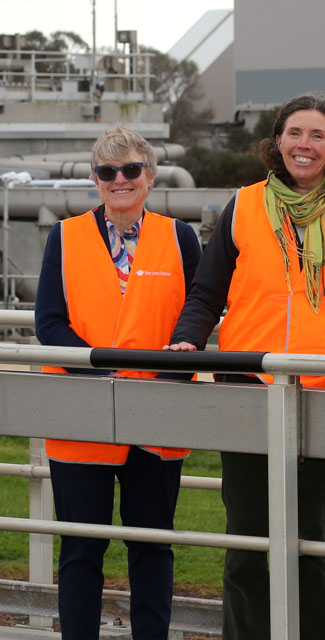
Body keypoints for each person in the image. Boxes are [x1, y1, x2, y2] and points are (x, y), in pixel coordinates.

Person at [165, 92, 325, 640]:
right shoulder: (244, 204)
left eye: (316, 136)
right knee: (246, 541)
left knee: (307, 542)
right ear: (277, 142)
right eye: (294, 133)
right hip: (248, 385)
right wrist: (188, 339)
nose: (303, 145)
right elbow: (207, 291)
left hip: (320, 394)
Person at [34, 124, 201, 639]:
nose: (120, 180)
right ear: (95, 179)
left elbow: (196, 314)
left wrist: (168, 366)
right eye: (108, 172)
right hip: (80, 413)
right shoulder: (65, 236)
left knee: (152, 545)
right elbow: (49, 323)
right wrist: (101, 369)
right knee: (81, 547)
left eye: (131, 169)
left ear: (149, 176)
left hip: (156, 411)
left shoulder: (181, 237)